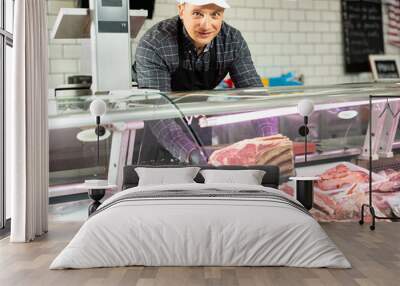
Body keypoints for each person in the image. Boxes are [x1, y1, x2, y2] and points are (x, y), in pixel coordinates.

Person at [135, 0, 278, 164]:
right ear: (181, 10)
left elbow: (255, 95)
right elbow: (158, 112)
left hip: (199, 121)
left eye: (215, 14)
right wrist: (192, 154)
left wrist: (271, 143)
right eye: (198, 13)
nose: (206, 25)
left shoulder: (232, 41)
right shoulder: (155, 43)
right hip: (159, 129)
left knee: (205, 181)